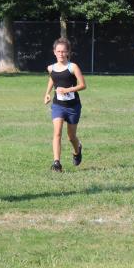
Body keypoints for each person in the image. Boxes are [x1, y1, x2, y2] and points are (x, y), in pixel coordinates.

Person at [43, 38, 86, 172]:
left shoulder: (73, 67)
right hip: (58, 105)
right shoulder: (51, 68)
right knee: (57, 133)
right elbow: (53, 78)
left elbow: (83, 85)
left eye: (63, 51)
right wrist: (47, 93)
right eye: (58, 51)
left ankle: (77, 150)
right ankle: (57, 163)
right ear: (54, 52)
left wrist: (67, 90)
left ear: (68, 52)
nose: (61, 54)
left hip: (73, 106)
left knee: (71, 137)